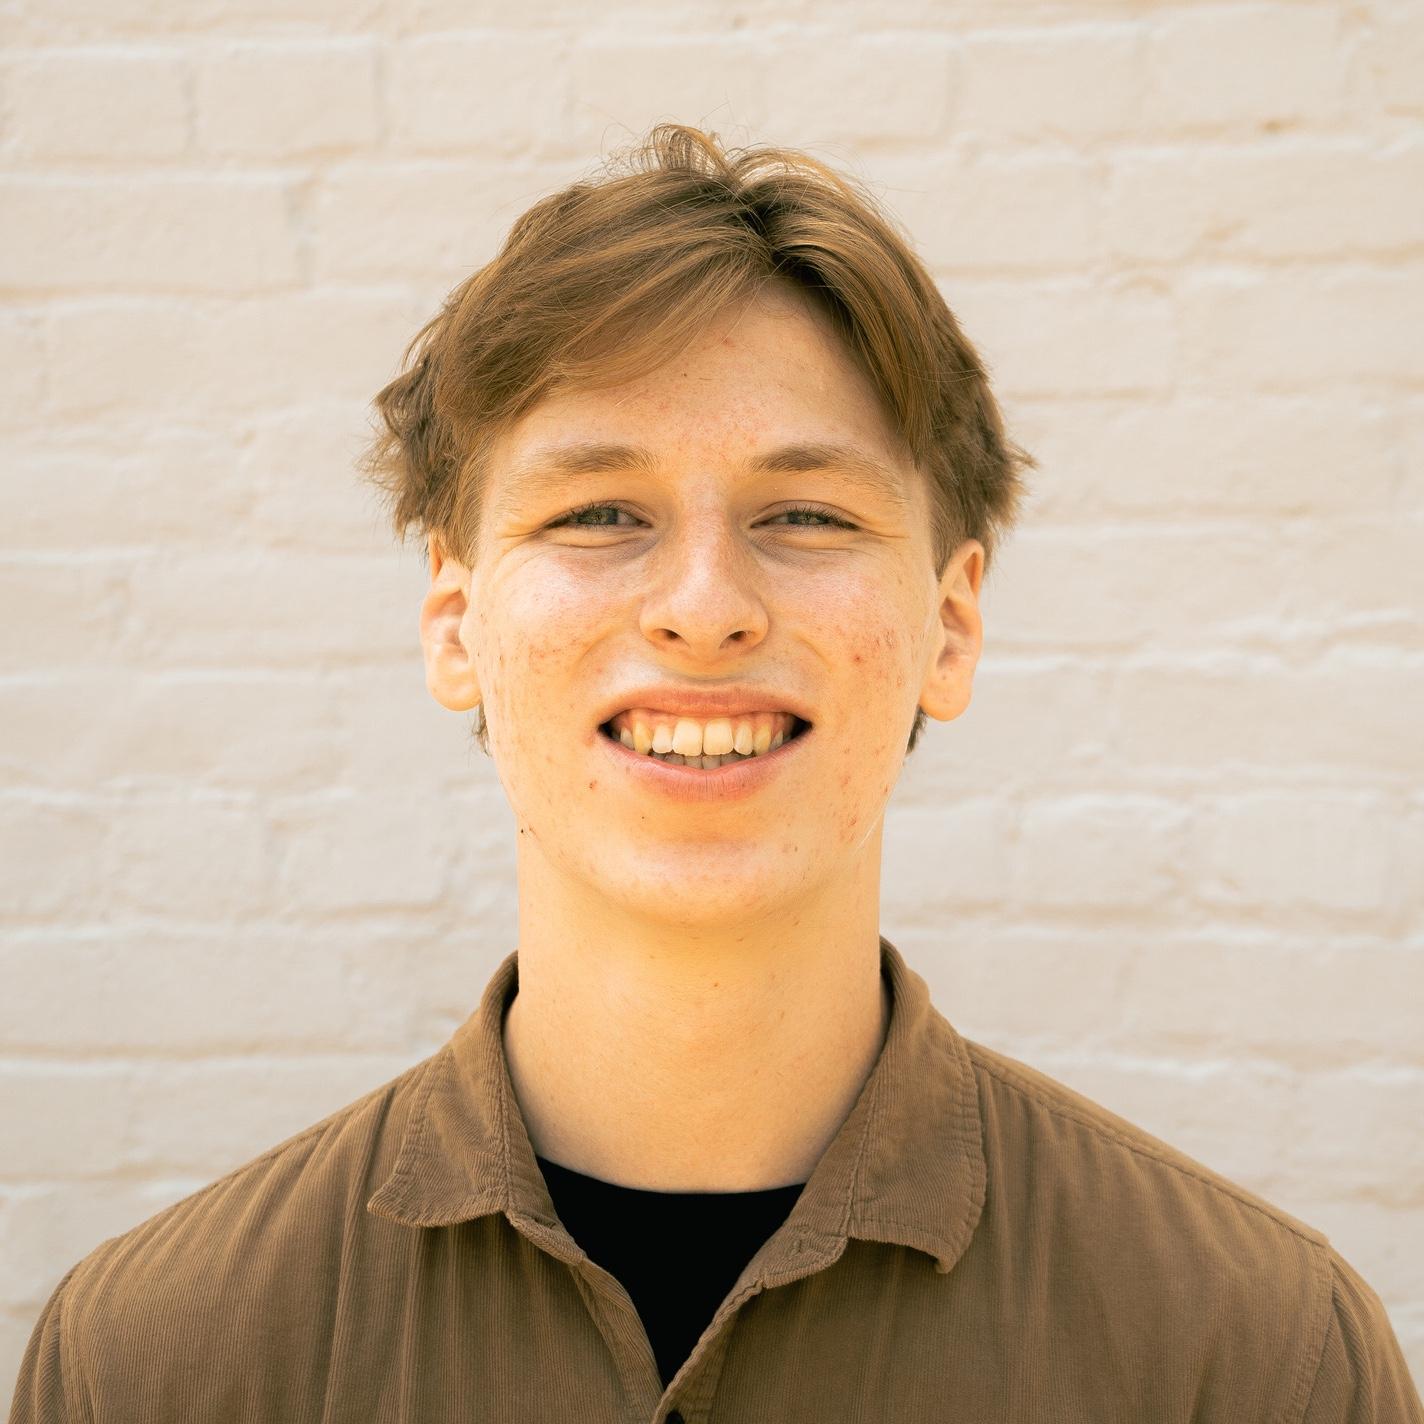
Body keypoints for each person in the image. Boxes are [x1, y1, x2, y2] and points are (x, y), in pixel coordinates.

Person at [10, 122, 1421, 1424]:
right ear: (455, 624)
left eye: (805, 514)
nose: (703, 608)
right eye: (597, 513)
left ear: (950, 626)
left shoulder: (1253, 1356)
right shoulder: (153, 1364)